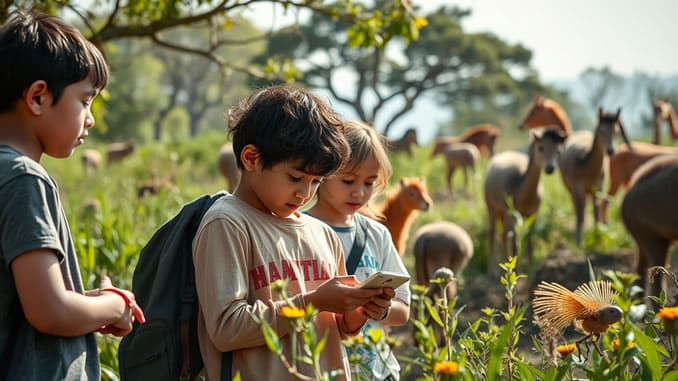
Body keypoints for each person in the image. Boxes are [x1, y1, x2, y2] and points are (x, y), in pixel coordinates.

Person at [192, 85, 394, 380]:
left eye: (316, 182)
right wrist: (313, 302)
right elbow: (226, 330)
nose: (305, 193)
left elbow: (333, 330)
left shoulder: (321, 234)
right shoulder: (227, 223)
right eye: (295, 178)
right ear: (251, 158)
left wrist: (358, 312)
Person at [0, 9, 144, 380]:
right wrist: (114, 306)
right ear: (37, 97)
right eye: (85, 100)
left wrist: (85, 305)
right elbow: (49, 311)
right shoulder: (24, 178)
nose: (91, 119)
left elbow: (27, 299)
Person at [306, 121, 411, 381]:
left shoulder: (377, 234)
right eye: (348, 180)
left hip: (377, 371)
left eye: (370, 182)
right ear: (322, 172)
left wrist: (382, 310)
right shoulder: (297, 229)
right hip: (319, 369)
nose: (359, 192)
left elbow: (403, 309)